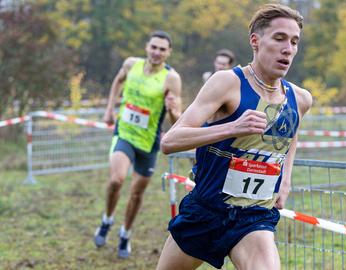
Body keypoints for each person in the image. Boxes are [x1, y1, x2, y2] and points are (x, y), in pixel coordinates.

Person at [156, 4, 312, 270]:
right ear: (255, 41)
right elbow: (170, 142)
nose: (288, 49)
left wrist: (285, 179)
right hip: (206, 210)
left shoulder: (300, 99)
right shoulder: (228, 82)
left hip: (254, 217)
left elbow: (292, 134)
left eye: (294, 42)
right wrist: (231, 127)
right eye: (279, 38)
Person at [93, 30, 182, 259]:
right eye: (154, 47)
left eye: (162, 49)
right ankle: (107, 220)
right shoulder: (131, 64)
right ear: (147, 47)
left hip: (148, 143)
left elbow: (178, 120)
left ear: (168, 53)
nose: (157, 52)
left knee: (136, 193)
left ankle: (125, 233)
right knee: (116, 179)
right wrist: (109, 108)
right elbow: (118, 80)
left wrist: (172, 110)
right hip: (124, 133)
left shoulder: (171, 78)